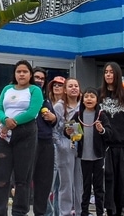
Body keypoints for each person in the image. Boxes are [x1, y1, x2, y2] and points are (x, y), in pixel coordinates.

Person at [0, 61, 43, 216]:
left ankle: (19, 211)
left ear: (30, 74)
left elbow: (32, 112)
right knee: (1, 176)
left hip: (25, 134)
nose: (21, 74)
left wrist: (12, 123)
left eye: (25, 71)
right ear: (14, 74)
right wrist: (4, 120)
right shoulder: (7, 89)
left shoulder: (35, 90)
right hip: (4, 135)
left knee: (23, 177)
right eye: (18, 71)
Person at [93, 64, 124, 216]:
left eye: (111, 72)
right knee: (108, 182)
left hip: (123, 146)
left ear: (117, 74)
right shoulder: (98, 94)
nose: (108, 74)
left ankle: (122, 211)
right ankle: (108, 211)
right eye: (106, 72)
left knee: (123, 184)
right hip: (105, 146)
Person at [49, 78, 81, 216]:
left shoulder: (84, 105)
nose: (74, 88)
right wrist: (61, 144)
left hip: (82, 147)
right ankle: (65, 213)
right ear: (65, 90)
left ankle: (80, 212)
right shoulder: (59, 107)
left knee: (80, 185)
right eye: (70, 86)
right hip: (65, 147)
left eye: (76, 86)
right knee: (66, 184)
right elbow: (53, 129)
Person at [29, 66, 58, 216]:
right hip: (29, 141)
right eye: (37, 77)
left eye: (42, 78)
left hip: (46, 142)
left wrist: (54, 118)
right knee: (26, 181)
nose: (39, 80)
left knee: (44, 183)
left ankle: (41, 213)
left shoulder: (46, 98)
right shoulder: (25, 93)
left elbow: (53, 120)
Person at [78, 91, 104, 216]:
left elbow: (109, 132)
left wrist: (102, 130)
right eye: (86, 97)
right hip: (83, 156)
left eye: (92, 97)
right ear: (82, 100)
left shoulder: (101, 115)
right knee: (85, 186)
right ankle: (84, 212)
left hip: (98, 156)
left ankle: (100, 212)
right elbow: (70, 131)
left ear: (97, 100)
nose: (89, 99)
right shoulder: (78, 115)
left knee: (99, 187)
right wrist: (69, 131)